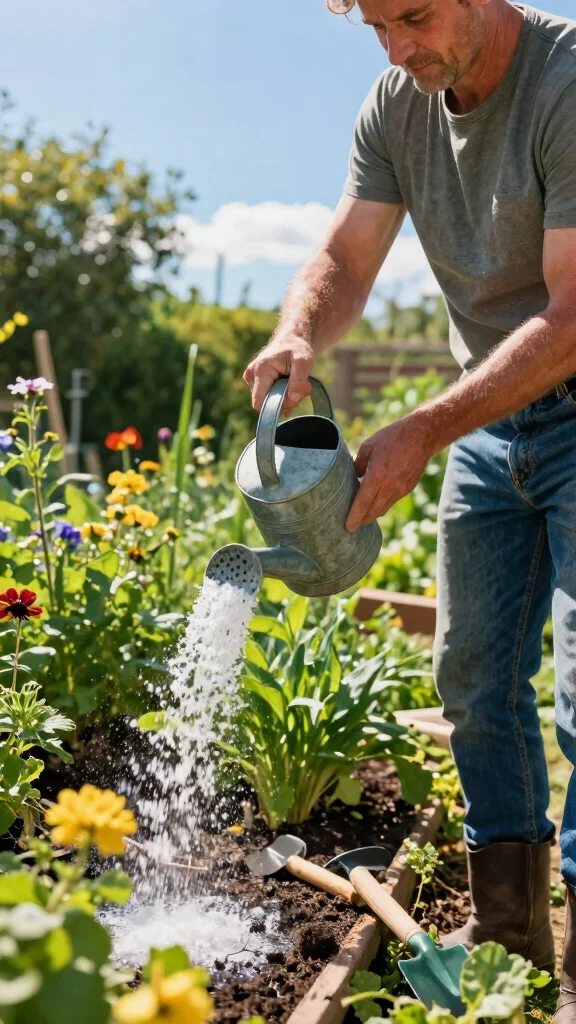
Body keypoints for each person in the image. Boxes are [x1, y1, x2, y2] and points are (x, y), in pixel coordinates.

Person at [243, 0, 576, 1014]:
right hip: (489, 425)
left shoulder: (565, 81)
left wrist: (423, 428)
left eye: (414, 16)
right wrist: (300, 329)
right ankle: (511, 929)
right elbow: (344, 262)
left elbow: (572, 319)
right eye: (375, 26)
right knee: (471, 677)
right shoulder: (397, 104)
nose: (396, 48)